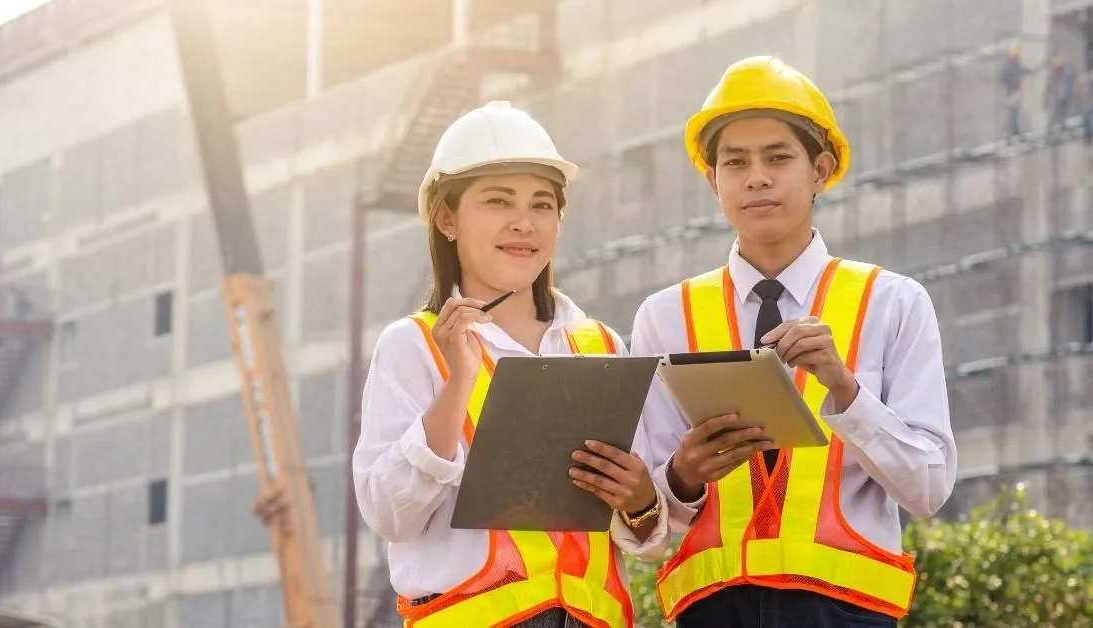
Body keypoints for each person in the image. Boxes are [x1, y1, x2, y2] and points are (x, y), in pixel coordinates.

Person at [630, 57, 957, 627]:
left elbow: (928, 488)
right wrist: (682, 475)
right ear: (714, 181)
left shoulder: (892, 303)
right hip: (712, 611)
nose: (756, 177)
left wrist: (847, 392)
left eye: (778, 157)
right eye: (735, 163)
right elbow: (647, 531)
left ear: (821, 170)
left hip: (847, 612)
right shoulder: (665, 318)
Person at [352, 100, 671, 628]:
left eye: (543, 205)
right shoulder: (412, 346)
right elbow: (390, 514)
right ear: (447, 218)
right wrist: (458, 386)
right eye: (499, 202)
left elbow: (649, 541)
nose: (524, 223)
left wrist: (640, 499)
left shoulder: (601, 346)